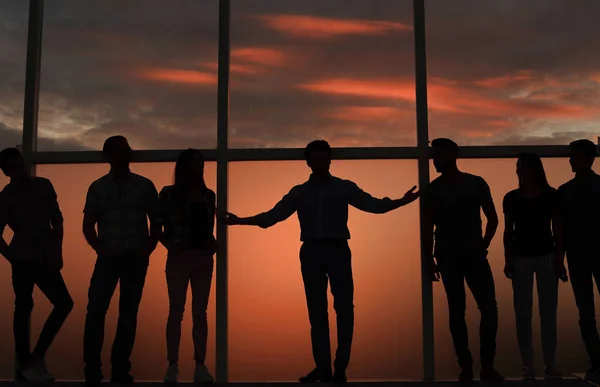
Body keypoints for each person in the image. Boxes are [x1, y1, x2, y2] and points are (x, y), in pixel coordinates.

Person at [219, 140, 420, 383]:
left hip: (336, 249)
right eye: (316, 159)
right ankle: (325, 368)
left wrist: (401, 201)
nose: (320, 163)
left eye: (324, 158)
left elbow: (374, 206)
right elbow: (271, 217)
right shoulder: (301, 192)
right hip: (313, 251)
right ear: (309, 162)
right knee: (318, 312)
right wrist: (240, 221)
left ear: (329, 160)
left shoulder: (341, 188)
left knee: (343, 309)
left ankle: (339, 367)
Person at [422, 138, 503, 383]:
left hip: (470, 255)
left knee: (486, 309)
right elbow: (427, 227)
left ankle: (484, 366)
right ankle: (467, 366)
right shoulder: (433, 189)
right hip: (449, 256)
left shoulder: (475, 184)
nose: (434, 159)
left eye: (438, 154)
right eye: (433, 155)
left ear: (452, 155)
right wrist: (429, 260)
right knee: (460, 311)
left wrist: (483, 244)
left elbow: (493, 219)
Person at [82, 136, 159, 386]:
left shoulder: (144, 186)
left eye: (126, 150)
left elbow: (156, 222)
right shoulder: (98, 187)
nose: (123, 155)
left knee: (127, 315)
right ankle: (93, 368)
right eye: (118, 151)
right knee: (96, 311)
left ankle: (119, 370)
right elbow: (88, 225)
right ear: (107, 156)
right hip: (109, 257)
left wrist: (147, 249)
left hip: (135, 258)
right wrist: (101, 250)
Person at [0, 147, 74, 383]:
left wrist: (58, 251)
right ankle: (26, 364)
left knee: (63, 303)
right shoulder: (6, 196)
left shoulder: (43, 185)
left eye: (21, 164)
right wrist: (11, 256)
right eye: (15, 167)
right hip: (23, 257)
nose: (20, 169)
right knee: (23, 307)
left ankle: (36, 357)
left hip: (45, 256)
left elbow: (57, 219)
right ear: (7, 172)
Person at [157, 149, 217, 383]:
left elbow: (208, 226)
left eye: (201, 165)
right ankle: (173, 364)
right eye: (195, 165)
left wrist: (212, 245)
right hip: (180, 258)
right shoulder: (169, 194)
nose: (199, 169)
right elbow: (158, 227)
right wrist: (172, 247)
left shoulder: (208, 195)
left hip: (202, 258)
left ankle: (199, 365)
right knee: (176, 311)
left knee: (199, 313)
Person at [502, 153, 564, 380]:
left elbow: (557, 228)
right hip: (521, 257)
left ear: (533, 170)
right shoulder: (511, 198)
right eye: (517, 167)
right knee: (523, 314)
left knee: (548, 313)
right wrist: (508, 259)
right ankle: (528, 364)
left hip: (546, 255)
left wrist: (559, 258)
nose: (518, 171)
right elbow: (509, 231)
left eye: (522, 167)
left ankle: (549, 363)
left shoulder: (551, 196)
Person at [556, 139, 600, 383]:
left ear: (588, 158)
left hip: (583, 257)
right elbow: (560, 228)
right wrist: (560, 259)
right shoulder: (565, 191)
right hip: (578, 258)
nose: (571, 160)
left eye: (575, 156)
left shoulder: (568, 191)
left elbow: (561, 229)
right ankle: (596, 360)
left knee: (586, 312)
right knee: (586, 312)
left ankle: (597, 361)